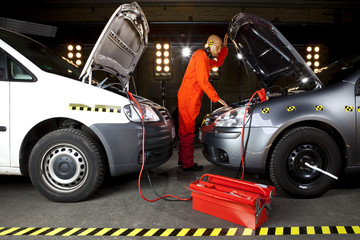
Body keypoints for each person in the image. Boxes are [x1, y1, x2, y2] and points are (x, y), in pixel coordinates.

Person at [177, 34, 229, 171]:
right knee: (187, 131)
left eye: (219, 49)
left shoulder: (204, 58)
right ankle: (187, 164)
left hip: (189, 96)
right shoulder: (200, 56)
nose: (217, 51)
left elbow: (217, 63)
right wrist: (216, 98)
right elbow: (203, 81)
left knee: (185, 130)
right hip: (189, 97)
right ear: (209, 43)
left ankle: (182, 159)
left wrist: (224, 48)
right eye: (217, 47)